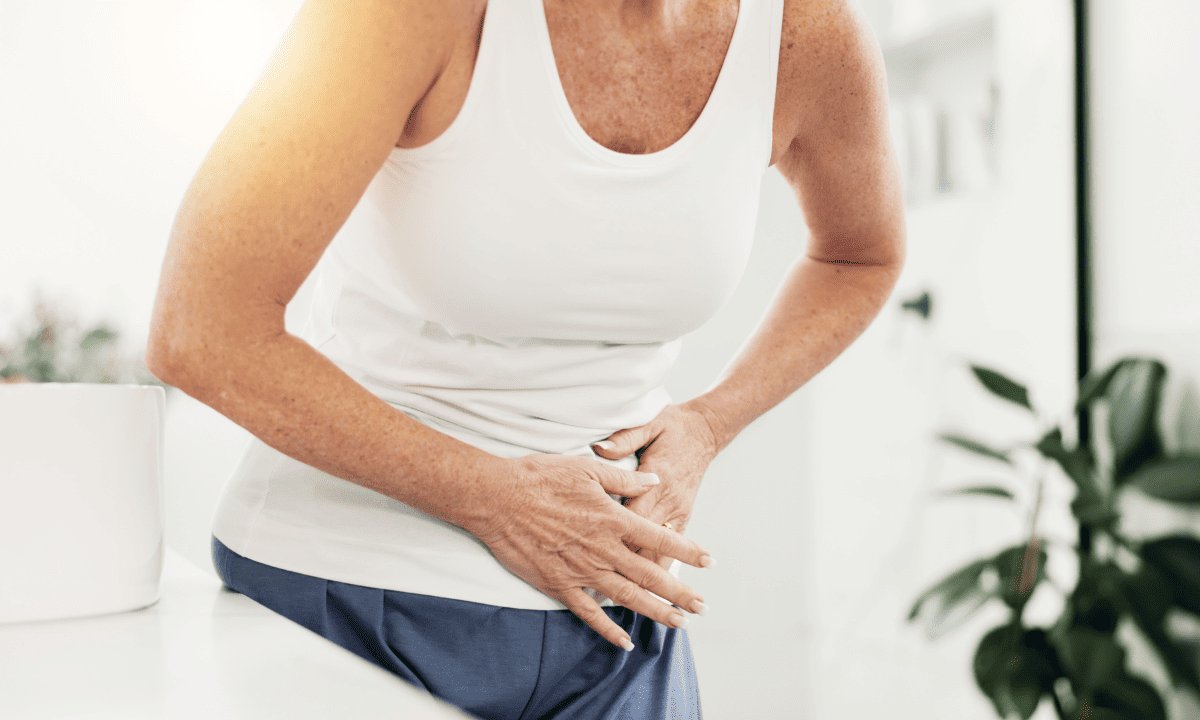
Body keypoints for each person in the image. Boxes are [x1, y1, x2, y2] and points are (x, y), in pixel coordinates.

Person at [146, 0, 904, 716]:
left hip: (614, 617)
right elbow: (202, 329)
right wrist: (496, 499)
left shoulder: (804, 33)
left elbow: (860, 257)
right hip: (348, 592)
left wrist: (710, 423)